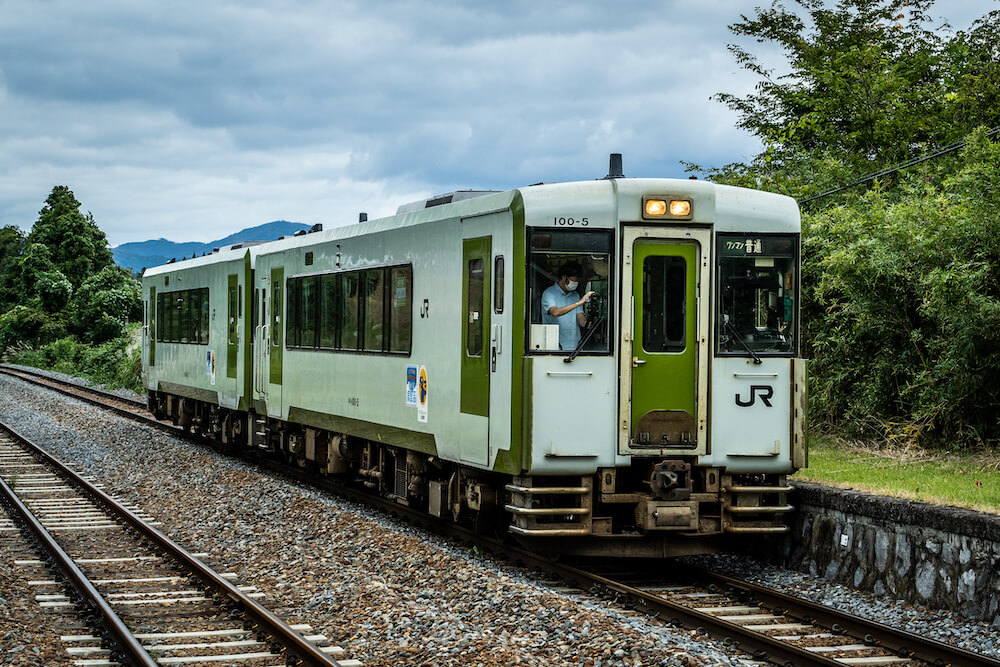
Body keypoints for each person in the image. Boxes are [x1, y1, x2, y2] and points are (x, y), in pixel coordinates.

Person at [541, 261, 594, 350]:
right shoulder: (549, 294)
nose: (576, 284)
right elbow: (555, 312)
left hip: (575, 347)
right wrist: (578, 303)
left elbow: (580, 316)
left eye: (577, 281)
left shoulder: (575, 295)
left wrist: (586, 323)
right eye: (574, 281)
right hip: (555, 348)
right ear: (564, 277)